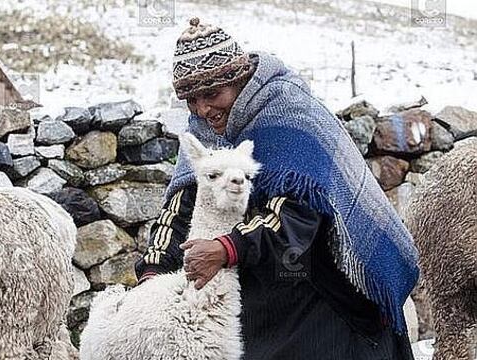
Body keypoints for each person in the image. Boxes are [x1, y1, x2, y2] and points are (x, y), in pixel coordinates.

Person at [135, 17, 419, 360]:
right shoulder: (204, 131)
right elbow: (181, 205)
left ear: (238, 82)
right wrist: (152, 273)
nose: (203, 109)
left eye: (211, 94)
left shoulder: (290, 115)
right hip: (258, 288)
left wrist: (227, 248)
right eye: (192, 100)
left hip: (323, 287)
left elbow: (298, 214)